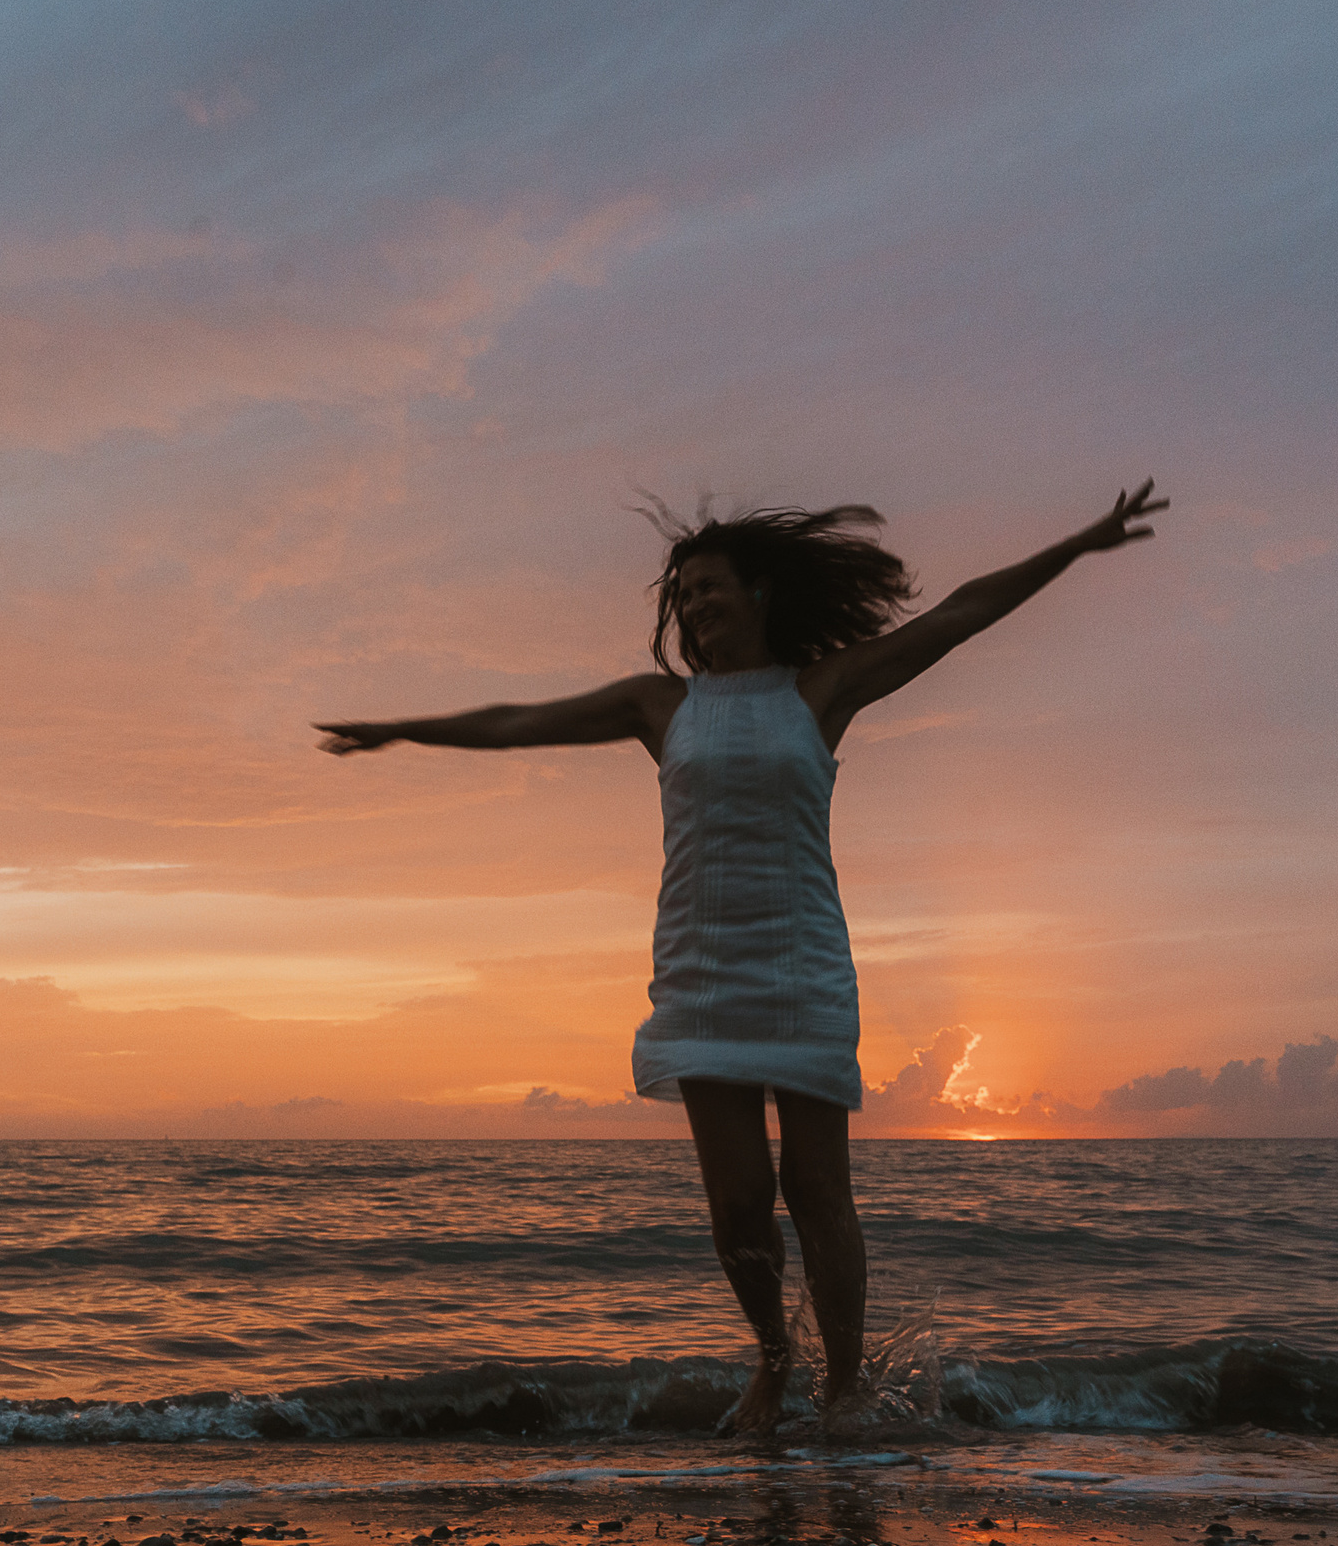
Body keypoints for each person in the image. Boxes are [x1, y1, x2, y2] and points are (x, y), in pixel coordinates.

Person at [315, 480, 1167, 1435]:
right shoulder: (659, 705)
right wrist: (402, 729)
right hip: (701, 968)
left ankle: (844, 1388)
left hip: (803, 959)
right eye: (682, 597)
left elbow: (961, 614)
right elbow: (521, 719)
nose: (693, 606)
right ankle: (775, 1359)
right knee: (735, 1206)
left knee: (815, 1189)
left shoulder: (821, 688)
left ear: (760, 592)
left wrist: (1079, 543)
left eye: (710, 587)